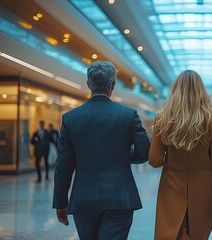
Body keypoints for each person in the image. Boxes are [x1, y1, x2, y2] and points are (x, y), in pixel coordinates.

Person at [52, 61, 150, 240]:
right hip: (120, 198)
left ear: (89, 84)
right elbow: (144, 152)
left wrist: (60, 202)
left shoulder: (70, 119)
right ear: (112, 85)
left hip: (84, 199)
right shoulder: (128, 115)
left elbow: (63, 165)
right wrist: (124, 156)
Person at [149, 70, 212, 240]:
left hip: (171, 186)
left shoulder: (162, 119)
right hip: (204, 187)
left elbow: (154, 160)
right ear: (202, 90)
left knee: (172, 234)